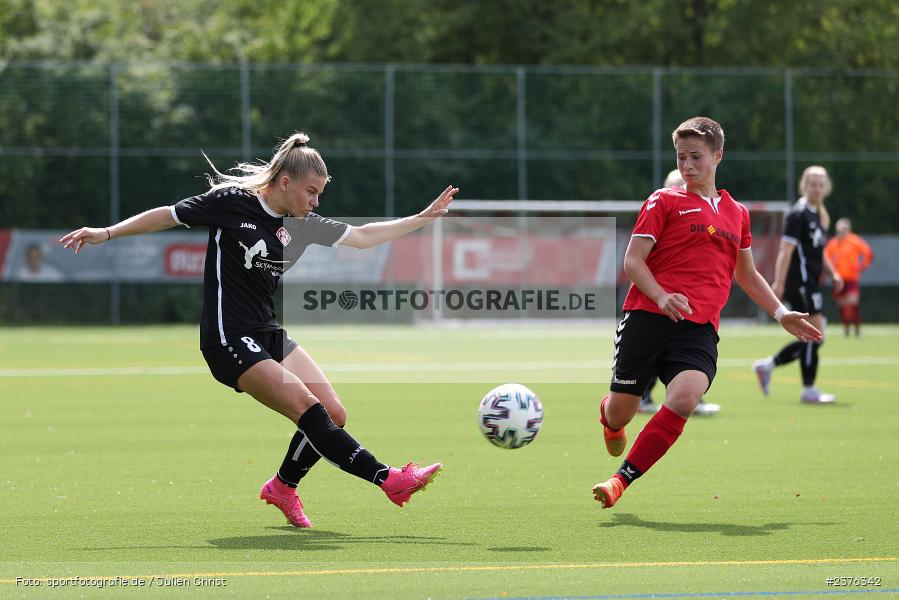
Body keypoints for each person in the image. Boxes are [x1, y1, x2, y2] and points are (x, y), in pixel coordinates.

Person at [60, 132, 457, 528]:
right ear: (286, 183)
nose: (316, 202)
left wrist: (422, 218)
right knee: (308, 409)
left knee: (334, 413)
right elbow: (168, 214)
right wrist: (107, 232)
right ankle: (389, 479)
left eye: (320, 194)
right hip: (227, 336)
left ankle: (283, 487)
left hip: (266, 331)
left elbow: (363, 236)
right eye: (311, 192)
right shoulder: (232, 202)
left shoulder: (302, 223)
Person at [592, 117, 821, 510]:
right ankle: (611, 420)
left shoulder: (738, 214)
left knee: (685, 398)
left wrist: (780, 312)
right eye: (681, 157)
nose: (687, 166)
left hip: (697, 331)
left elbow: (746, 275)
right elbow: (632, 262)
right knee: (621, 410)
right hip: (646, 318)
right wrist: (662, 296)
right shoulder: (663, 200)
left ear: (718, 155)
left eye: (696, 156)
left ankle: (620, 481)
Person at [752, 166, 843, 404]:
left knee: (814, 336)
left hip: (812, 281)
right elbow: (785, 250)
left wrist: (833, 273)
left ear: (827, 188)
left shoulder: (818, 215)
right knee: (815, 334)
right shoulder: (798, 214)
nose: (816, 187)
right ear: (804, 185)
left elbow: (818, 251)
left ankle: (768, 365)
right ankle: (809, 389)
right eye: (812, 183)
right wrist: (778, 284)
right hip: (800, 283)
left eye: (821, 183)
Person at [638, 169, 720, 417]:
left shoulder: (706, 217)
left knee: (692, 354)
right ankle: (641, 397)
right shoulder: (660, 212)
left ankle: (692, 398)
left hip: (693, 303)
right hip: (658, 303)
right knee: (654, 356)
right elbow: (637, 260)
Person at [824, 218, 873, 336]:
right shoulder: (833, 243)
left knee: (852, 302)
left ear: (848, 230)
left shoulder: (854, 241)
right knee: (842, 305)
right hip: (838, 279)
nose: (842, 232)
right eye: (840, 229)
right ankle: (846, 328)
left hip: (852, 278)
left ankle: (857, 328)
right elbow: (825, 258)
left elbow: (868, 253)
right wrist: (831, 272)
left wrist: (861, 267)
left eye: (844, 229)